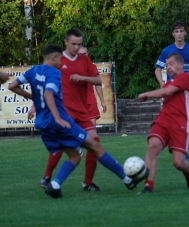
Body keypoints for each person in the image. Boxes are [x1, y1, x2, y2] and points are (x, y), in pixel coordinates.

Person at [8, 44, 148, 198]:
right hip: (60, 122)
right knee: (95, 146)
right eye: (60, 59)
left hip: (44, 126)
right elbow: (48, 94)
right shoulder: (54, 73)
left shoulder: (33, 70)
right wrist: (57, 117)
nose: (61, 62)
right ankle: (127, 179)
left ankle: (54, 184)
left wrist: (34, 98)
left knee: (74, 155)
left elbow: (13, 86)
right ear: (54, 57)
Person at [36, 29, 106, 192]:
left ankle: (88, 182)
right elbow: (46, 83)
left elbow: (98, 81)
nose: (77, 49)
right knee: (63, 144)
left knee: (94, 141)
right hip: (65, 110)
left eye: (80, 46)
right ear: (67, 43)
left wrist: (99, 97)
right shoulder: (59, 63)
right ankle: (47, 176)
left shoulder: (86, 63)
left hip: (84, 108)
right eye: (74, 45)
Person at [138, 53, 189, 194]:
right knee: (153, 146)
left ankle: (188, 172)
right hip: (163, 121)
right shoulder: (169, 82)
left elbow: (167, 92)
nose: (168, 67)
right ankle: (148, 186)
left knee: (178, 162)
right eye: (166, 65)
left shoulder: (186, 77)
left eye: (171, 64)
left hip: (180, 124)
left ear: (181, 65)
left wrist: (146, 94)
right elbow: (166, 92)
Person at [155, 20, 189, 161]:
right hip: (174, 92)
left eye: (181, 31)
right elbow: (158, 69)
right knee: (177, 123)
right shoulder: (167, 51)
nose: (179, 34)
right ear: (173, 34)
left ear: (185, 32)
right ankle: (183, 150)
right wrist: (163, 84)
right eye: (176, 31)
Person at [78, 46, 107, 126]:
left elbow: (98, 84)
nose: (83, 56)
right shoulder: (71, 67)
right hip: (77, 101)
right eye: (80, 54)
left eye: (84, 54)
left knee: (92, 125)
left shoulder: (92, 67)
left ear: (88, 54)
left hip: (90, 100)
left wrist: (102, 101)